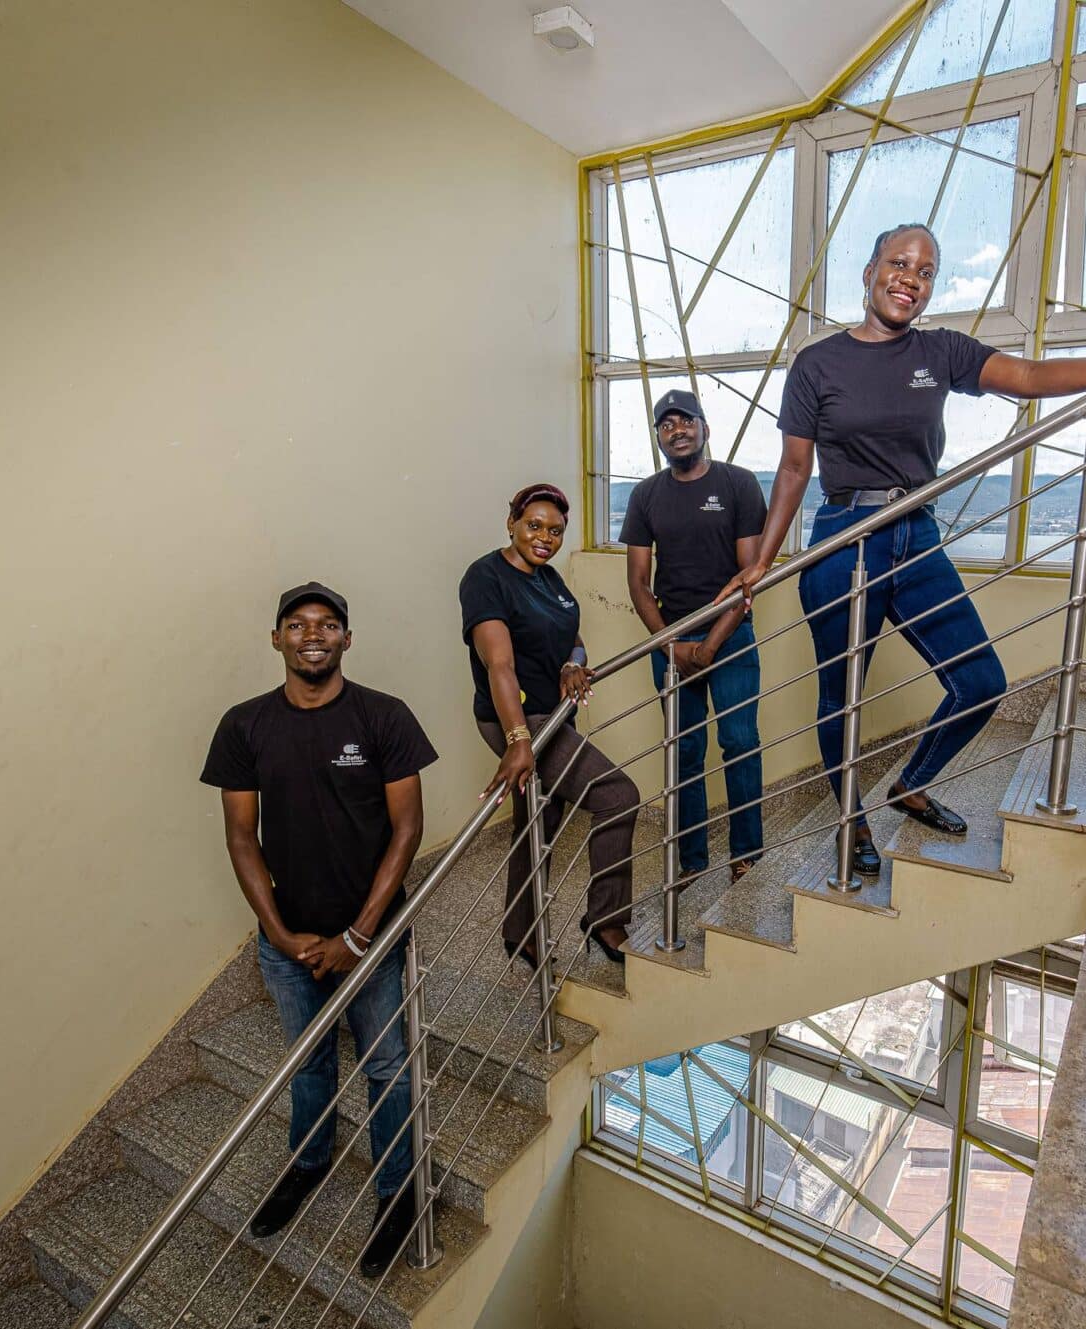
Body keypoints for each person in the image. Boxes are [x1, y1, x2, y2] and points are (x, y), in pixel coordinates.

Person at [728, 222, 1086, 875]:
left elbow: (1031, 375)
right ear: (870, 270)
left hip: (915, 531)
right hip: (845, 539)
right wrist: (762, 559)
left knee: (980, 680)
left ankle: (911, 783)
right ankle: (851, 819)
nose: (911, 277)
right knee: (841, 697)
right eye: (899, 263)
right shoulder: (818, 363)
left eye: (926, 271)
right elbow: (793, 469)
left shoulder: (942, 351)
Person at [199, 582, 436, 1276]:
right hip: (289, 941)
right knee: (309, 1060)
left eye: (328, 624)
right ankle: (309, 1162)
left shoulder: (383, 717)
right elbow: (242, 837)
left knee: (387, 1065)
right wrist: (275, 932)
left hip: (372, 940)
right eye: (297, 624)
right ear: (276, 639)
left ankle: (398, 1193)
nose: (312, 634)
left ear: (347, 639)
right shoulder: (244, 725)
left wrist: (359, 936)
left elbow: (408, 828)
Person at [461, 483, 639, 966]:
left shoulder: (548, 578)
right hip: (519, 719)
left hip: (552, 714)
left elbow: (571, 635)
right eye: (534, 526)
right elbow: (499, 664)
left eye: (555, 531)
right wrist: (519, 740)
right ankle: (606, 921)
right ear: (512, 523)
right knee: (618, 795)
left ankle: (520, 931)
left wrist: (572, 662)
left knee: (539, 821)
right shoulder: (486, 577)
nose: (545, 537)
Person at [621, 388, 769, 884]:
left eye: (687, 421)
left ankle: (747, 852)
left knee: (739, 740)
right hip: (671, 639)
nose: (677, 430)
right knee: (684, 752)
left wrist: (708, 645)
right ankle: (692, 861)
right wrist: (671, 646)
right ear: (659, 437)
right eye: (666, 424)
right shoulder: (645, 495)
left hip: (730, 635)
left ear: (706, 429)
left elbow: (750, 575)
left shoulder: (739, 484)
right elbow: (638, 582)